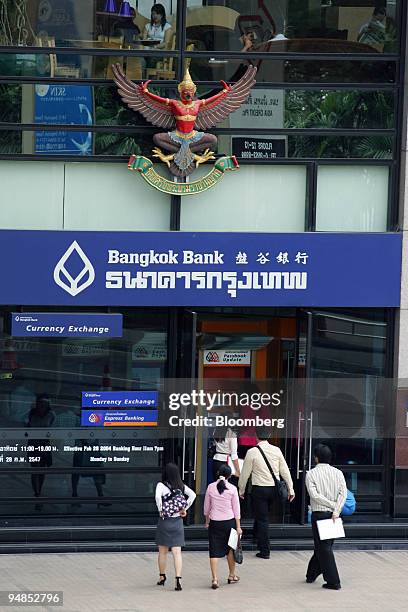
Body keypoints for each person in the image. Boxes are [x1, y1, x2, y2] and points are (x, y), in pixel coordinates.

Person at [238, 426, 295, 559]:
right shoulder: (277, 450)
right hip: (274, 490)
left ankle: (265, 551)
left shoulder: (252, 452)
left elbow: (245, 474)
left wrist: (241, 490)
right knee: (262, 515)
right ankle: (256, 537)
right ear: (269, 434)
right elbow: (285, 471)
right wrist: (291, 489)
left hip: (259, 490)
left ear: (256, 436)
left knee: (262, 519)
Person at [305, 443, 347, 590]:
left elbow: (314, 495)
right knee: (323, 546)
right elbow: (344, 493)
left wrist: (330, 505)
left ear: (316, 458)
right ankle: (311, 574)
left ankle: (333, 581)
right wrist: (336, 509)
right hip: (334, 515)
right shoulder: (338, 473)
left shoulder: (311, 474)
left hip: (320, 514)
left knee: (324, 548)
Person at [155, 462, 196, 591]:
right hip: (178, 522)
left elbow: (157, 497)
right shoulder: (181, 486)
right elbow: (193, 495)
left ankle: (162, 577)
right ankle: (178, 579)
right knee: (177, 552)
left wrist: (161, 509)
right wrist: (185, 508)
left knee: (162, 552)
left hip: (165, 521)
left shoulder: (161, 485)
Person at [204, 463, 242, 589]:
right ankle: (231, 575)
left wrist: (207, 521)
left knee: (214, 551)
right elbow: (236, 509)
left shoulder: (210, 487)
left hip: (215, 522)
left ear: (217, 474)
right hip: (229, 522)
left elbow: (206, 507)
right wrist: (238, 526)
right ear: (229, 475)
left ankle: (215, 579)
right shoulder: (232, 489)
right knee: (230, 549)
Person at [26, 394, 56, 510]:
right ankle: (37, 494)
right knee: (35, 469)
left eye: (44, 404)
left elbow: (53, 428)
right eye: (40, 404)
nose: (41, 406)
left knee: (42, 470)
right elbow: (27, 425)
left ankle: (39, 490)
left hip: (44, 443)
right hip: (33, 443)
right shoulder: (32, 414)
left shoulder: (51, 414)